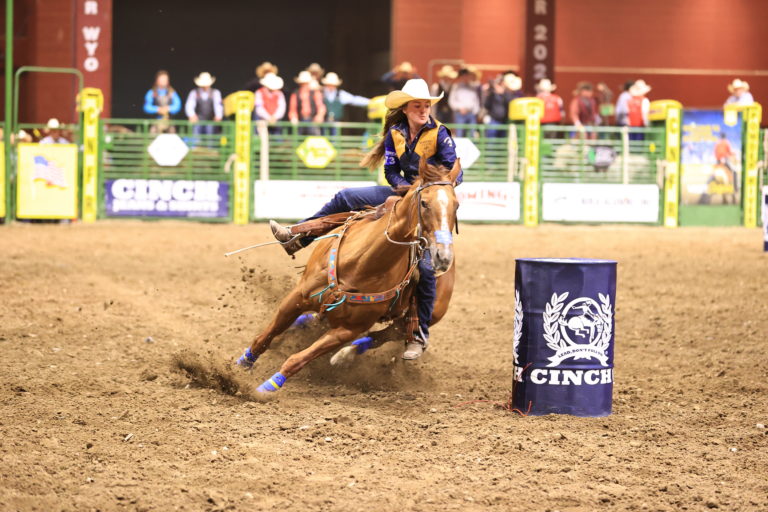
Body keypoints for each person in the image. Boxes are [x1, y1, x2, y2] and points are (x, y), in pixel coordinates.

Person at [269, 78, 461, 360]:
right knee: (346, 197)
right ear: (406, 109)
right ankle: (300, 236)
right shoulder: (396, 132)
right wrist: (402, 189)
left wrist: (428, 190)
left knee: (427, 266)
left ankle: (418, 333)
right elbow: (391, 171)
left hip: (428, 204)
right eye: (417, 105)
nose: (423, 110)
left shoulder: (441, 135)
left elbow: (453, 171)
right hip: (403, 193)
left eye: (426, 105)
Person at [184, 72, 224, 143]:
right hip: (198, 120)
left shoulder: (215, 93)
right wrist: (192, 115)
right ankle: (196, 148)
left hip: (210, 120)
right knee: (196, 131)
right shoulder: (194, 93)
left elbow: (218, 106)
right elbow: (189, 105)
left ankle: (210, 149)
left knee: (210, 132)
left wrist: (218, 116)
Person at [288, 70, 326, 135]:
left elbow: (321, 106)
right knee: (297, 137)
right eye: (303, 83)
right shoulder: (295, 94)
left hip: (312, 120)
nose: (304, 85)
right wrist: (294, 118)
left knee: (314, 137)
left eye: (306, 83)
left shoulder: (315, 93)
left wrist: (319, 115)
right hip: (300, 121)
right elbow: (292, 109)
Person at [484, 73, 522, 137]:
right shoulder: (493, 94)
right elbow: (487, 104)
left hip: (506, 121)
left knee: (502, 141)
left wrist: (503, 93)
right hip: (495, 120)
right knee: (491, 141)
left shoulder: (511, 94)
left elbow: (510, 102)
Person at [448, 68, 481, 137]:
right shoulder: (456, 87)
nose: (466, 77)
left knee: (472, 133)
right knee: (459, 134)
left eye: (467, 76)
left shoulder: (472, 87)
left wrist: (475, 112)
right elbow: (451, 101)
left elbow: (476, 101)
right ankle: (459, 147)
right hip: (460, 114)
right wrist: (460, 108)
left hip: (471, 114)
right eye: (464, 76)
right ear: (461, 77)